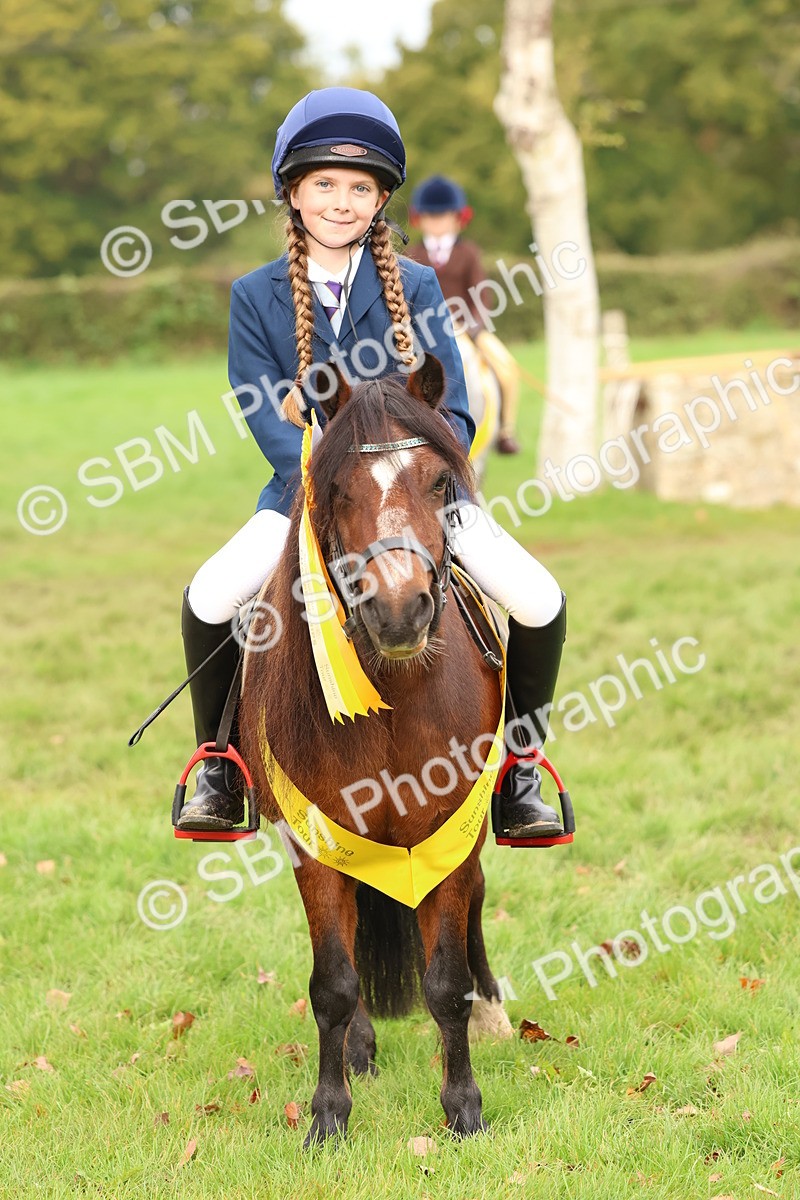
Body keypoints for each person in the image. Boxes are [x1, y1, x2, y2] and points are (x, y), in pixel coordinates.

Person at [176, 87, 567, 842]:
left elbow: (455, 411)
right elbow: (260, 407)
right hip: (302, 495)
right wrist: (323, 473)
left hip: (420, 496)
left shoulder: (416, 286)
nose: (341, 201)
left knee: (539, 598)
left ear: (382, 200)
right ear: (293, 193)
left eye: (360, 188)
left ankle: (521, 772)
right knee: (209, 597)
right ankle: (221, 767)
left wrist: (420, 470)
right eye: (324, 183)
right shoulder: (254, 296)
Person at [407, 175, 522, 455]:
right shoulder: (412, 254)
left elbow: (482, 295)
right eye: (430, 217)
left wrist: (472, 325)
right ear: (419, 219)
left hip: (464, 328)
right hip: (424, 331)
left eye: (442, 216)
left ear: (458, 218)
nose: (436, 223)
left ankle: (505, 430)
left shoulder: (468, 253)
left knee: (507, 367)